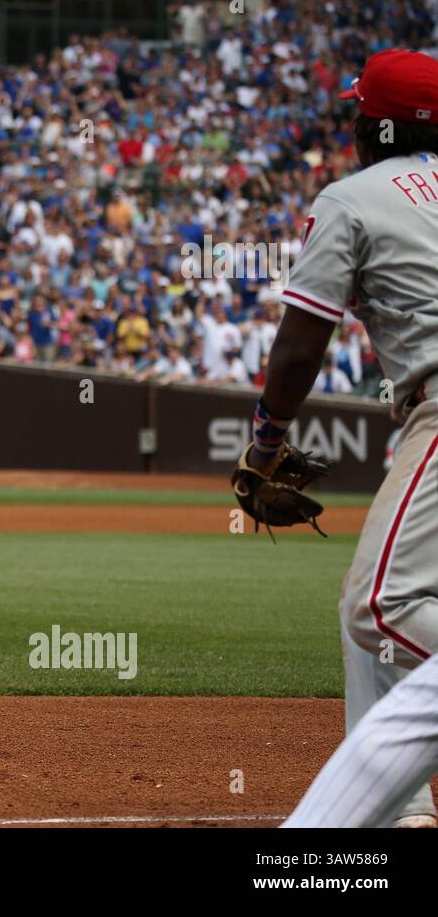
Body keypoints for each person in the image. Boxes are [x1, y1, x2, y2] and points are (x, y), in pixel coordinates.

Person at [236, 50, 438, 828]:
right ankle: (403, 806)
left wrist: (264, 442)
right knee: (367, 607)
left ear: (366, 126)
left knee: (380, 607)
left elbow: (299, 347)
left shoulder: (351, 198)